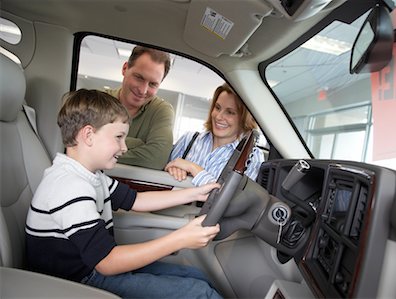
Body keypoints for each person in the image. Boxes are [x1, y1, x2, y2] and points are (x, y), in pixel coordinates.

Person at [25, 89, 222, 299]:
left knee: (196, 276)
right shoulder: (70, 186)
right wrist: (180, 239)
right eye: (119, 137)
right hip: (77, 280)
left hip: (93, 267)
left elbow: (137, 200)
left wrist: (195, 193)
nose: (125, 147)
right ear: (89, 135)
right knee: (201, 294)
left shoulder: (91, 175)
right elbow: (107, 263)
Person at [165, 83, 265, 186]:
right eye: (217, 108)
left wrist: (193, 168)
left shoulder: (252, 156)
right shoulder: (188, 139)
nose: (218, 116)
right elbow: (164, 175)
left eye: (230, 112)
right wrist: (172, 169)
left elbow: (235, 199)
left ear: (244, 119)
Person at [105, 46, 174, 170]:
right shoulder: (99, 101)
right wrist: (138, 144)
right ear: (125, 69)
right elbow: (78, 147)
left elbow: (157, 159)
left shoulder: (161, 111)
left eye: (153, 84)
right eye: (139, 78)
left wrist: (103, 149)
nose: (143, 90)